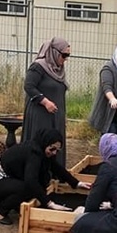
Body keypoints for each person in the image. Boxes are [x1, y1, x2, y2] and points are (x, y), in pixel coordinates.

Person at [0, 129, 91, 225]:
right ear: (45, 143)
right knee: (28, 188)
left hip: (6, 179)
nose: (54, 153)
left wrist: (76, 183)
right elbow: (30, 181)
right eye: (52, 149)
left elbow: (57, 168)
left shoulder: (42, 150)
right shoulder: (34, 154)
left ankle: (14, 204)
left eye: (57, 150)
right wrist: (49, 203)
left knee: (39, 184)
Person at [22, 37, 71, 167]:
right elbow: (29, 86)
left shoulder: (58, 70)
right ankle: (37, 174)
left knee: (55, 143)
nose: (66, 58)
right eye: (64, 55)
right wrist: (45, 102)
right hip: (41, 114)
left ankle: (54, 174)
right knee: (43, 143)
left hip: (56, 115)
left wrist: (62, 115)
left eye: (68, 55)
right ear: (54, 52)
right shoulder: (38, 67)